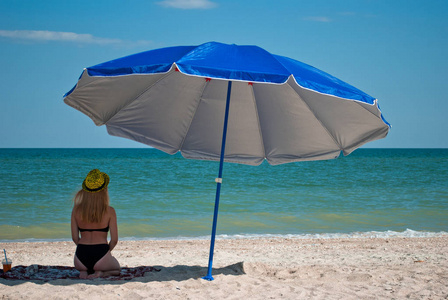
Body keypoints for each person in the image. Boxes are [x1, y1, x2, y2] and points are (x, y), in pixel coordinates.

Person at [71, 169, 120, 279]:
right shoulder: (110, 211)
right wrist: (105, 253)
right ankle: (101, 273)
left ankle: (84, 271)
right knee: (117, 269)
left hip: (80, 256)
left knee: (86, 267)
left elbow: (75, 238)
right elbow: (114, 240)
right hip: (101, 252)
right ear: (104, 190)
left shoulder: (76, 210)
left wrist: (85, 250)